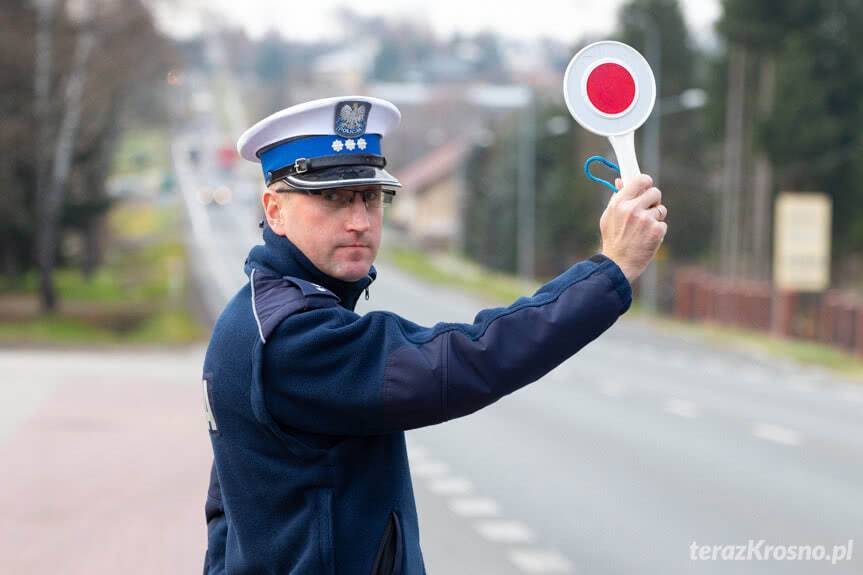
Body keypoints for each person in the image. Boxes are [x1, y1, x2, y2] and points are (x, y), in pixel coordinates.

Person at [201, 96, 667, 574]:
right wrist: (611, 269)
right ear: (275, 211)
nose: (359, 221)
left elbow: (226, 514)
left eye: (371, 197)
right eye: (333, 199)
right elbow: (464, 361)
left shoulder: (252, 317)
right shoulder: (292, 337)